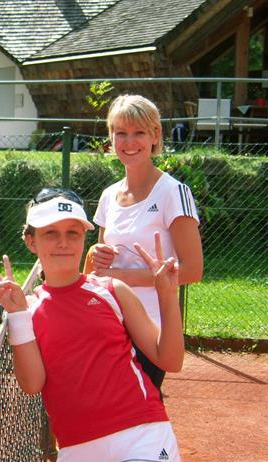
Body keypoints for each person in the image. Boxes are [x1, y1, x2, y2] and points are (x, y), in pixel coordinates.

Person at [0, 188, 186, 462]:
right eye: (51, 233)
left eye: (73, 233)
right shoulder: (27, 311)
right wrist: (16, 316)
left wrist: (167, 296)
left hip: (139, 437)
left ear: (85, 238)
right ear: (31, 241)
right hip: (78, 452)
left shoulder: (113, 290)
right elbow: (33, 384)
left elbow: (169, 358)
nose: (63, 243)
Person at [86, 94, 203, 397]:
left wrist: (124, 277)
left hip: (151, 329)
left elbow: (192, 270)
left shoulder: (173, 193)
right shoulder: (108, 195)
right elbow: (100, 267)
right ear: (110, 137)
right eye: (120, 132)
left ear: (154, 136)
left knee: (139, 412)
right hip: (108, 325)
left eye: (139, 132)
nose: (129, 141)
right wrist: (94, 256)